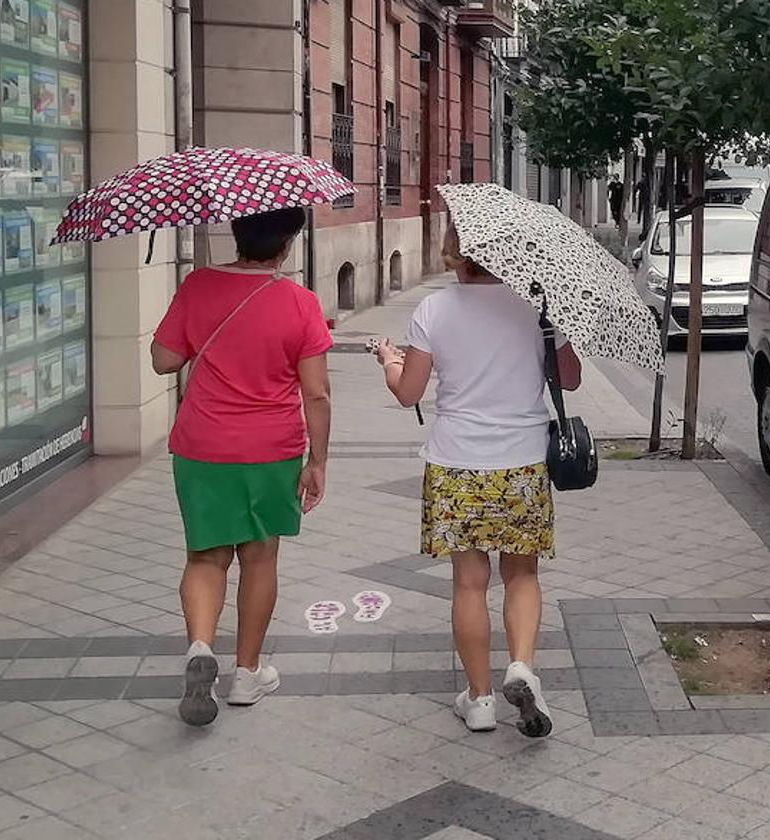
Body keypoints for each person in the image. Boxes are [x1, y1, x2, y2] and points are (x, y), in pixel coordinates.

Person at [372, 225, 581, 738]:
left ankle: (481, 700)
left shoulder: (434, 311)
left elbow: (409, 393)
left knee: (468, 583)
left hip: (456, 463)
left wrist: (389, 362)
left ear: (454, 252)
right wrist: (558, 325)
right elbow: (570, 379)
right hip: (523, 463)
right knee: (522, 576)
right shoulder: (537, 308)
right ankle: (522, 667)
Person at [150, 207, 333, 727]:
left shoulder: (198, 285)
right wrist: (317, 462)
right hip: (270, 450)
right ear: (287, 245)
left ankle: (200, 647)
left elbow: (163, 360)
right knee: (260, 559)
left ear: (236, 234)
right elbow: (316, 393)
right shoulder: (300, 303)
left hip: (201, 445)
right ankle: (247, 674)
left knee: (205, 557)